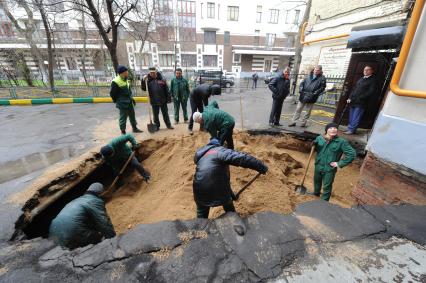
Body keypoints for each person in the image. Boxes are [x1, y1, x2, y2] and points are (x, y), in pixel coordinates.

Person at [193, 138, 268, 218]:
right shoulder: (220, 151)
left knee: (201, 217)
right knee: (228, 206)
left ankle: (200, 227)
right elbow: (241, 158)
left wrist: (232, 195)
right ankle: (233, 219)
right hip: (217, 188)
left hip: (198, 189)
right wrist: (260, 166)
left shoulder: (203, 155)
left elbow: (221, 178)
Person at [49, 183, 116, 249]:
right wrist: (113, 239)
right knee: (99, 237)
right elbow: (103, 221)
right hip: (73, 231)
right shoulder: (95, 201)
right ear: (100, 193)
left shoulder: (77, 200)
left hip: (53, 233)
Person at [311, 123, 356, 201]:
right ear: (326, 130)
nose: (333, 129)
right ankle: (316, 193)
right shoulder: (320, 138)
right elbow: (315, 149)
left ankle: (324, 202)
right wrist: (313, 145)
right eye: (331, 128)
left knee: (327, 186)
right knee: (316, 181)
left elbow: (352, 154)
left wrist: (339, 163)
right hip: (318, 165)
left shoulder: (341, 142)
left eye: (335, 128)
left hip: (329, 168)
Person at [110, 65, 143, 135]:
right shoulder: (115, 81)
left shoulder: (126, 80)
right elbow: (112, 94)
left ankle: (134, 128)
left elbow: (128, 91)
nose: (127, 72)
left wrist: (132, 99)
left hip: (129, 101)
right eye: (126, 71)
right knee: (123, 117)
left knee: (132, 115)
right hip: (122, 103)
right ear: (122, 73)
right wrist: (118, 101)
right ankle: (123, 131)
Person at [345, 65, 377, 135]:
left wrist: (360, 97)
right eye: (364, 70)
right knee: (351, 116)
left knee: (356, 117)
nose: (365, 71)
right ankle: (349, 128)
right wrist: (350, 97)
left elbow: (370, 92)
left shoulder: (372, 80)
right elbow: (354, 89)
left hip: (361, 102)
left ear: (371, 71)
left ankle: (352, 130)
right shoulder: (361, 79)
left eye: (367, 70)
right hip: (353, 101)